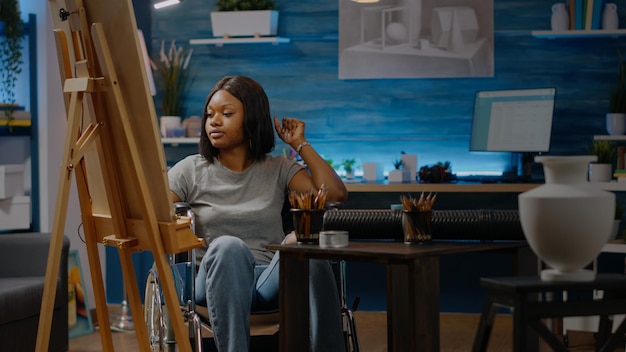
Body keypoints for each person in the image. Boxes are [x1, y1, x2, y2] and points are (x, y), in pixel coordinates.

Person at [167, 75, 349, 352]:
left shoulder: (279, 169)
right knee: (229, 245)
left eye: (226, 114)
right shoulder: (190, 169)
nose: (214, 121)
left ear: (252, 118)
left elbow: (335, 194)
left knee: (306, 247)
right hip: (212, 280)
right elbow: (154, 210)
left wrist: (300, 144)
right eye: (209, 115)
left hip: (266, 281)